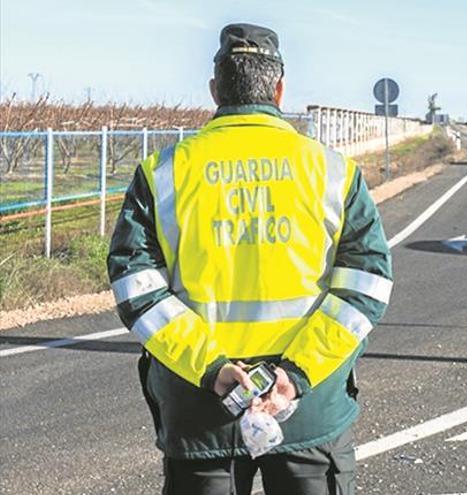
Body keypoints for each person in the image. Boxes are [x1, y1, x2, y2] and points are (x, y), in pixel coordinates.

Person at [107, 23, 392, 494]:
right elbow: (367, 286)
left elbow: (135, 286)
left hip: (201, 409)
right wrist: (295, 376)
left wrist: (212, 369)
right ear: (279, 88)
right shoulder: (334, 172)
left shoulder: (162, 174)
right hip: (306, 410)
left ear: (215, 89)